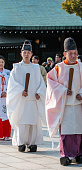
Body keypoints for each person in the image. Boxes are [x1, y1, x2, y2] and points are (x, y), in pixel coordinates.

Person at [46, 37, 82, 166]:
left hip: (78, 105)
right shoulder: (58, 68)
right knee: (66, 132)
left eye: (75, 53)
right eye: (70, 53)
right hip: (65, 104)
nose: (73, 56)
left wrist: (81, 94)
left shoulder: (81, 66)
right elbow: (50, 81)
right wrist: (62, 90)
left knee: (79, 131)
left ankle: (78, 154)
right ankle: (65, 155)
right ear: (64, 54)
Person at [6, 40, 46, 152]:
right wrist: (20, 91)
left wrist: (40, 92)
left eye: (28, 52)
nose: (26, 54)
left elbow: (41, 83)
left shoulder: (36, 68)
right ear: (21, 54)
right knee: (22, 122)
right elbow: (12, 84)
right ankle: (21, 142)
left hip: (33, 99)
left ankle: (33, 143)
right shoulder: (16, 68)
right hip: (22, 100)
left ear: (32, 54)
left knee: (33, 123)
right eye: (24, 52)